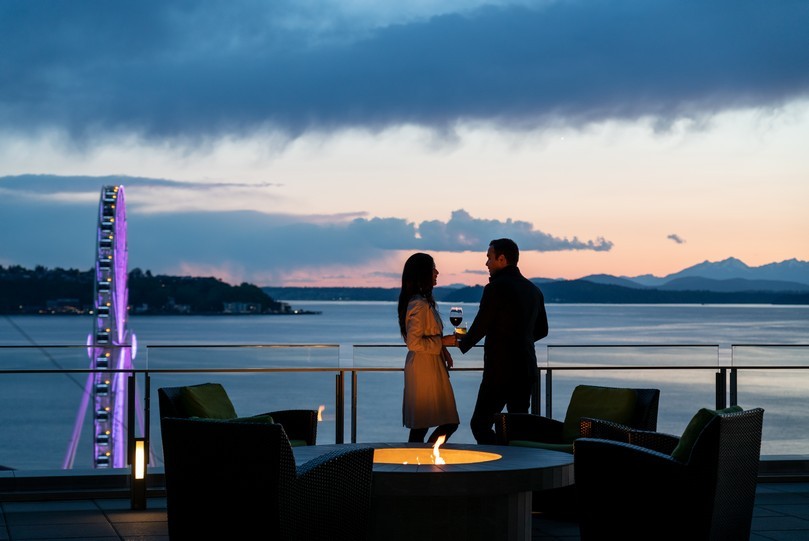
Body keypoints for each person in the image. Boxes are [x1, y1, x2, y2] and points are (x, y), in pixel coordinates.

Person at [456, 238, 548, 444]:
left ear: (502, 259)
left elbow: (482, 324)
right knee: (518, 428)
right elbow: (542, 330)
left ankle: (499, 457)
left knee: (480, 424)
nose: (486, 263)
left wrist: (462, 342)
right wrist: (520, 339)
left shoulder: (496, 288)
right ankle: (514, 461)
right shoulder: (534, 290)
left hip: (500, 370)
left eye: (489, 258)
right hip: (526, 368)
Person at [397, 252, 460, 444]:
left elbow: (428, 334)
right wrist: (443, 343)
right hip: (424, 369)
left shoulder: (423, 302)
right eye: (433, 269)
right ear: (422, 273)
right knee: (442, 423)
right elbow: (414, 342)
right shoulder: (419, 304)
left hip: (429, 366)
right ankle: (426, 456)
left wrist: (443, 350)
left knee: (422, 426)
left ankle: (420, 457)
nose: (437, 272)